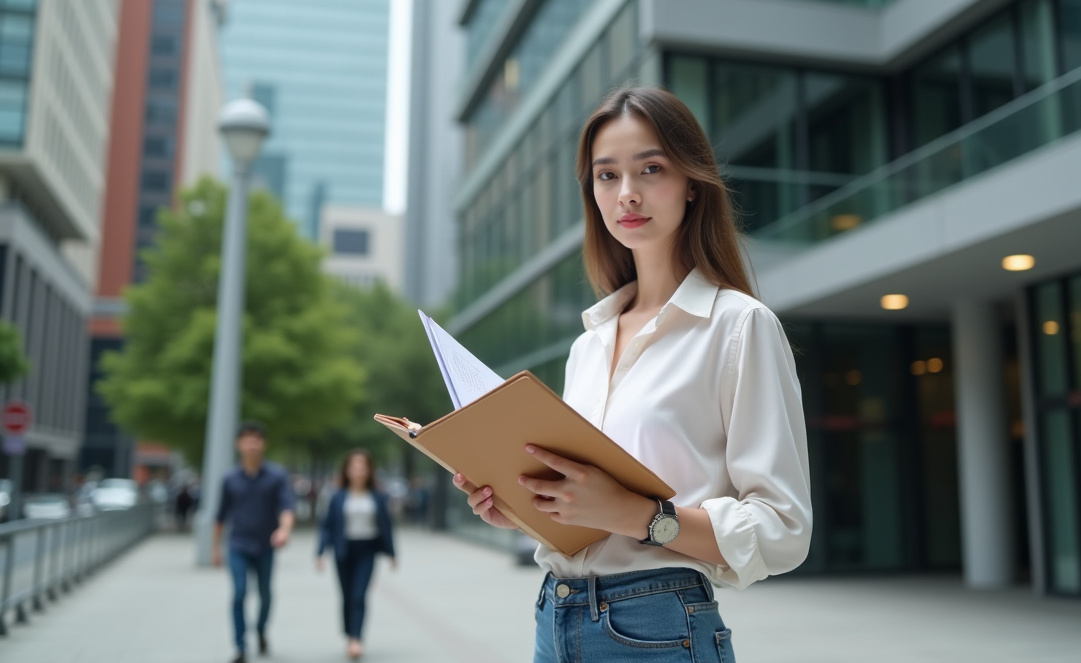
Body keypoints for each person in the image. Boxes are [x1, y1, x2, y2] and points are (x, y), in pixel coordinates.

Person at [453, 87, 812, 661]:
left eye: (651, 168)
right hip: (555, 614)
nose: (627, 194)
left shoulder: (739, 326)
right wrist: (526, 510)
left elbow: (783, 529)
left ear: (692, 183)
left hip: (658, 624)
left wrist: (640, 516)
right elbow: (590, 520)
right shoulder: (588, 347)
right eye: (606, 176)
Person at [213, 421, 296, 663]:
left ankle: (260, 629)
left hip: (265, 545)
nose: (252, 444)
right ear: (238, 444)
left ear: (263, 443)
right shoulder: (229, 478)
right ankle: (240, 646)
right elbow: (220, 516)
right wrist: (215, 548)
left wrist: (284, 529)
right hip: (238, 544)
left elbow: (287, 507)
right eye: (247, 439)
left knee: (265, 594)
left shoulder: (276, 476)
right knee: (239, 593)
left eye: (256, 439)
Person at [316, 449, 397, 660]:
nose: (359, 471)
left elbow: (386, 526)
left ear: (370, 470)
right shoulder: (337, 496)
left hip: (367, 550)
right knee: (346, 595)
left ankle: (356, 638)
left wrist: (392, 554)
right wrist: (320, 552)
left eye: (363, 466)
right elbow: (327, 526)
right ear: (347, 470)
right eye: (354, 466)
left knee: (359, 595)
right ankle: (349, 632)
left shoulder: (378, 497)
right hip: (343, 549)